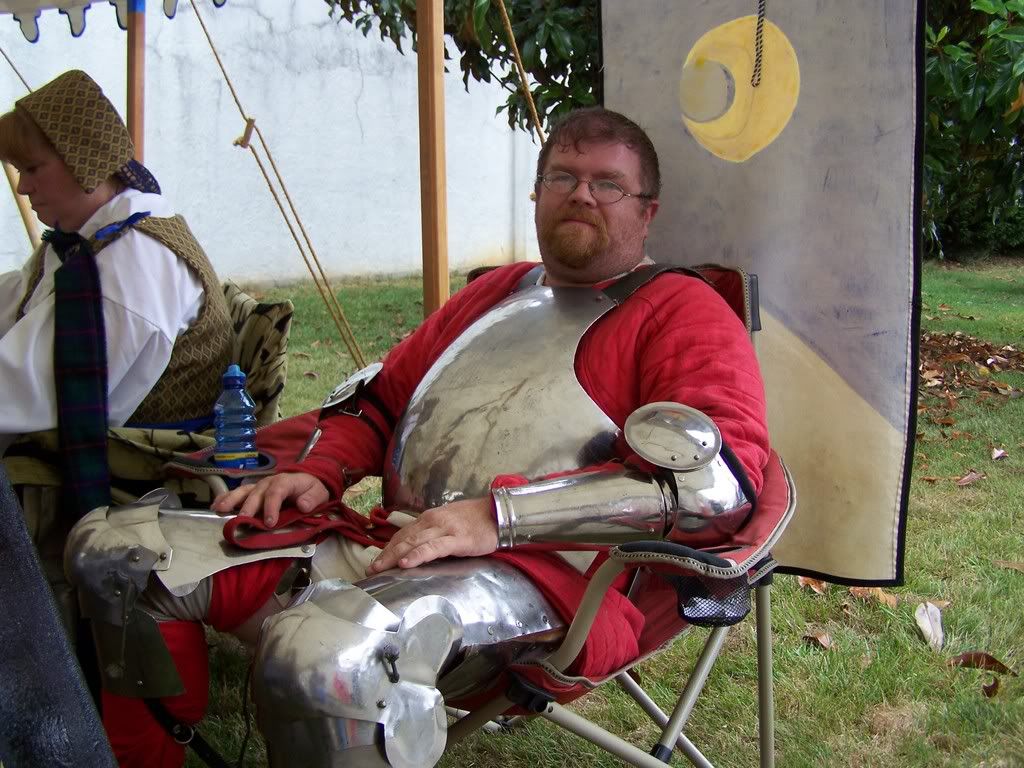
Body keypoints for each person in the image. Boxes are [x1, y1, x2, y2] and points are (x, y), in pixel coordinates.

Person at [67, 107, 770, 768]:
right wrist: (326, 469)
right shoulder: (496, 293)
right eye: (564, 177)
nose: (581, 195)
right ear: (536, 195)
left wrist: (497, 518)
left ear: (647, 210)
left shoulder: (681, 309)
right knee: (121, 551)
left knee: (329, 656)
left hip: (544, 582)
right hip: (391, 539)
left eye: (608, 184)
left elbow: (713, 484)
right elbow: (379, 399)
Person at [0, 70, 232, 515]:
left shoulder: (135, 262)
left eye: (32, 169)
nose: (23, 187)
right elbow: (20, 300)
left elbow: (30, 388)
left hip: (139, 491)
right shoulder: (94, 240)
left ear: (82, 159)